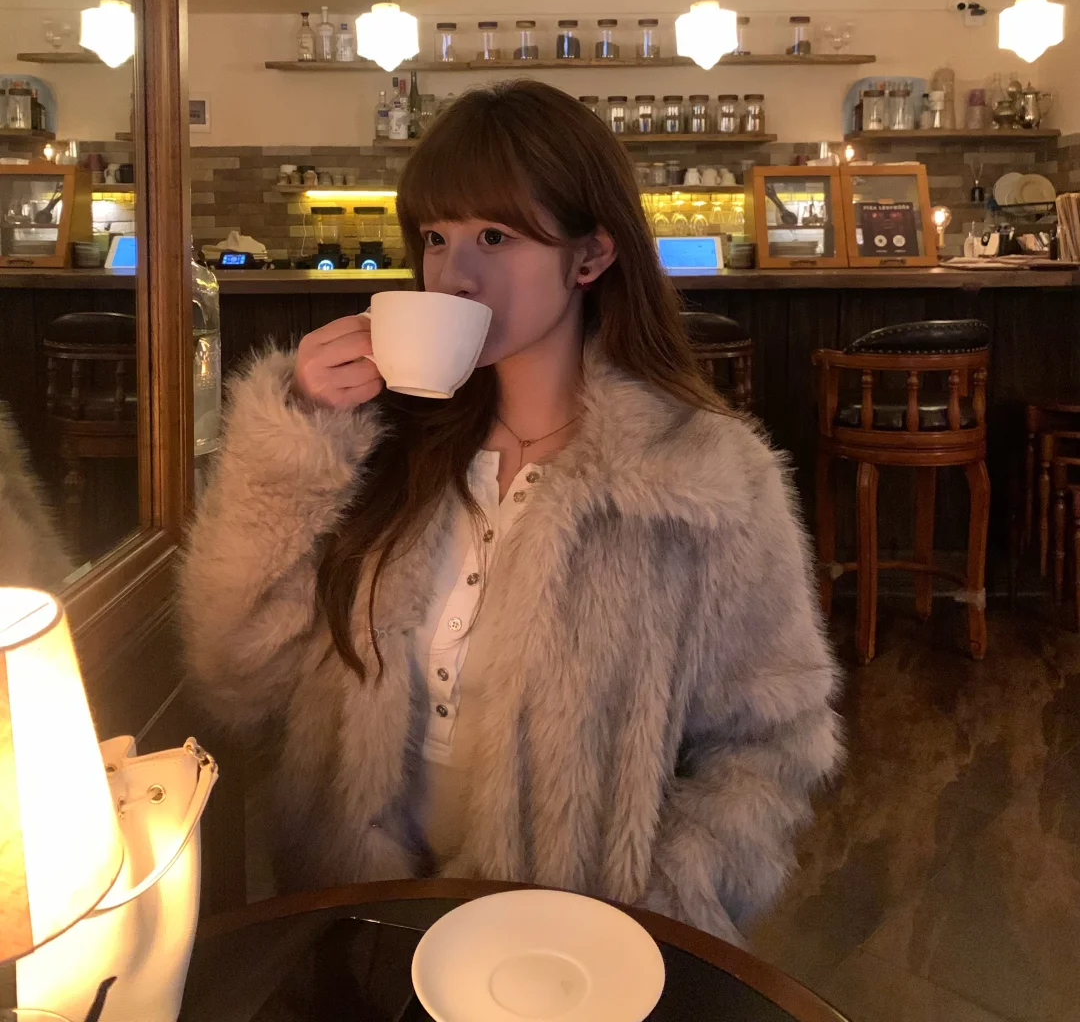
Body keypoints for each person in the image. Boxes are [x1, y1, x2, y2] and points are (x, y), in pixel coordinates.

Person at [181, 80, 841, 946]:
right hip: (354, 933)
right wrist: (296, 442)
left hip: (570, 959)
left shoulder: (705, 481)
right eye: (436, 237)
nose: (454, 274)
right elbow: (235, 678)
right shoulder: (372, 452)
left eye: (495, 236)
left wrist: (666, 900)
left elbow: (772, 743)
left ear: (590, 256)